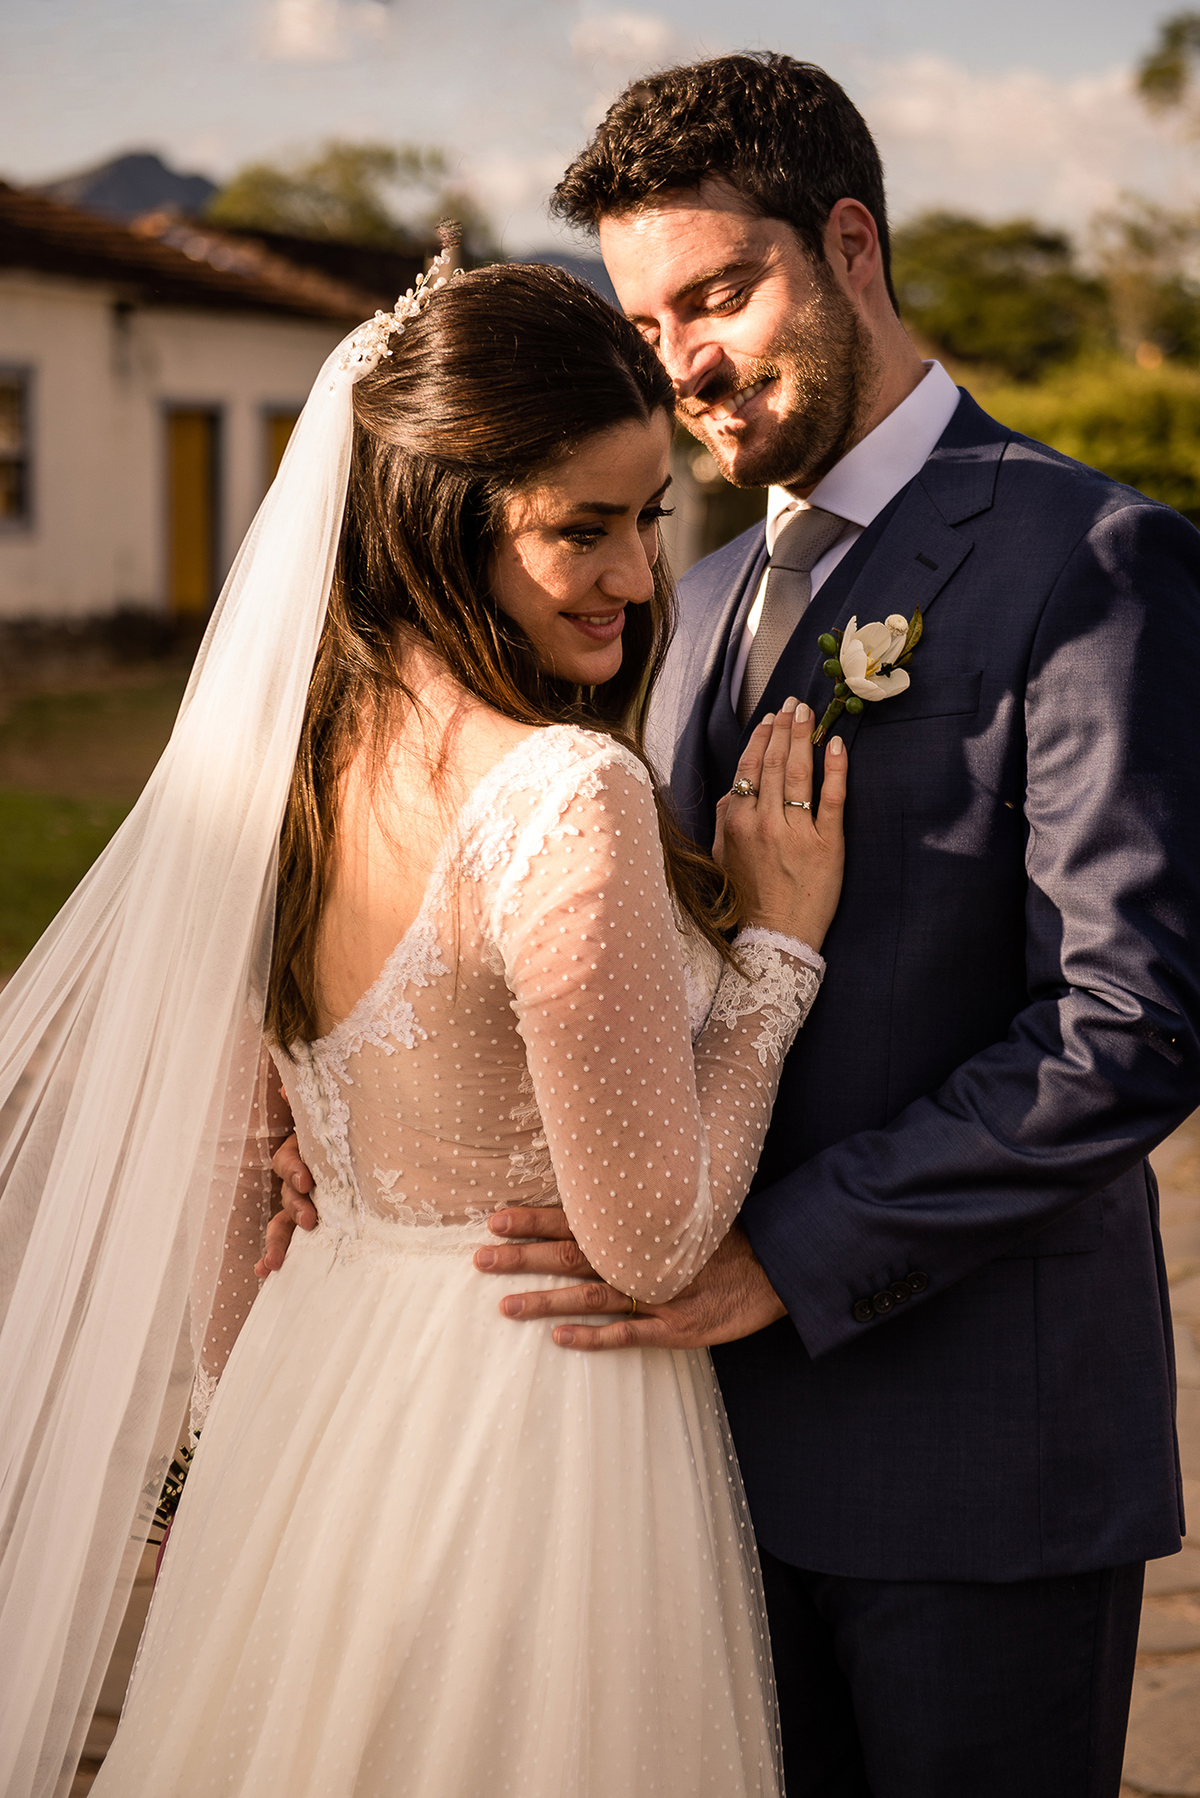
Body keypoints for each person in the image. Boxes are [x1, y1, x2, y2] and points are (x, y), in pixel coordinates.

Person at [285, 52, 1196, 1798]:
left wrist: (784, 1253)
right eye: (650, 321)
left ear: (850, 244)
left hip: (968, 1461)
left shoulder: (1089, 559)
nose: (686, 359)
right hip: (680, 1473)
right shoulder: (689, 594)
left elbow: (1133, 1017)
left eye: (720, 291)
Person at [0, 259, 851, 1798]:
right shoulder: (561, 795)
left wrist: (276, 1382)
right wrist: (781, 947)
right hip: (531, 1415)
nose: (636, 576)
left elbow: (228, 1205)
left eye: (647, 516)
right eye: (576, 530)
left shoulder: (283, 776)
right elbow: (650, 1236)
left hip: (318, 1390)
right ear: (438, 521)